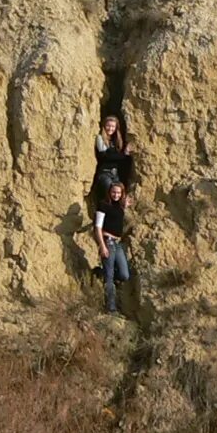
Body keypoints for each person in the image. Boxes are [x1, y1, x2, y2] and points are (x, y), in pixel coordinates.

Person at [94, 179, 134, 313]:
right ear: (109, 192)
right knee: (110, 277)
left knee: (124, 275)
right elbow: (98, 227)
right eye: (113, 192)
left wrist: (125, 206)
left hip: (117, 244)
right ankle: (110, 308)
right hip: (108, 242)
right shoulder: (103, 205)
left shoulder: (119, 206)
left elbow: (117, 216)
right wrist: (102, 246)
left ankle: (101, 273)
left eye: (118, 192)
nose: (115, 195)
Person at [92, 113, 134, 209]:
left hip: (115, 174)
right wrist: (124, 154)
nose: (110, 128)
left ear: (116, 127)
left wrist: (125, 155)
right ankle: (102, 218)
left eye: (113, 126)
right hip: (104, 173)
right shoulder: (100, 138)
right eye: (108, 126)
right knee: (109, 195)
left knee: (118, 195)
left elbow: (119, 159)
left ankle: (118, 214)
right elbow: (105, 156)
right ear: (104, 126)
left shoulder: (116, 140)